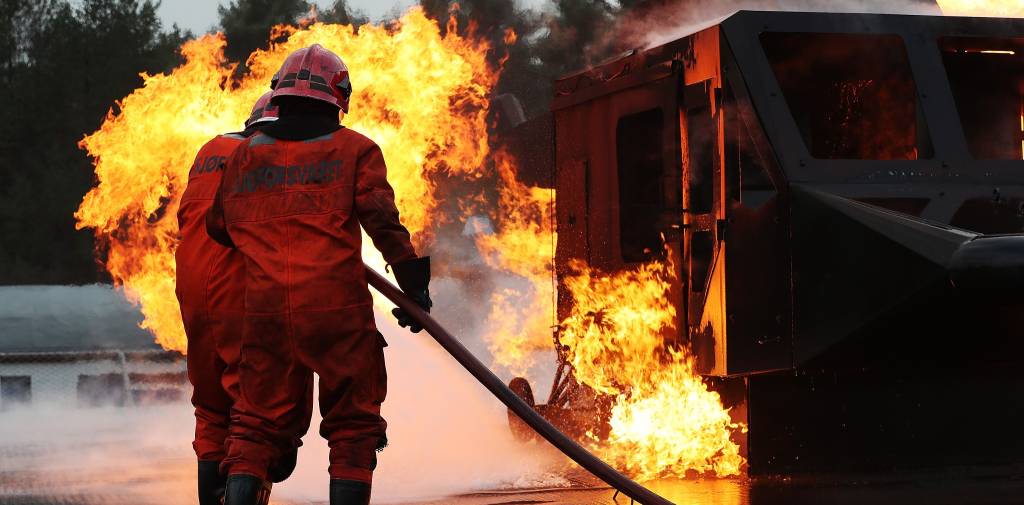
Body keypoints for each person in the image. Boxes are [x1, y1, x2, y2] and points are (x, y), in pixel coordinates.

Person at [206, 44, 432, 505]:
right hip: (337, 313)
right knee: (353, 427)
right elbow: (383, 223)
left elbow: (219, 227)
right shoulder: (356, 150)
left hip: (266, 313)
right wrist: (415, 288)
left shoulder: (242, 157)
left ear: (280, 96)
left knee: (254, 424)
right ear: (338, 98)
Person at [176, 92, 309, 505]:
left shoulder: (210, 150)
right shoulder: (283, 160)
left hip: (194, 293)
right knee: (260, 413)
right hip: (244, 292)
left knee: (212, 407)